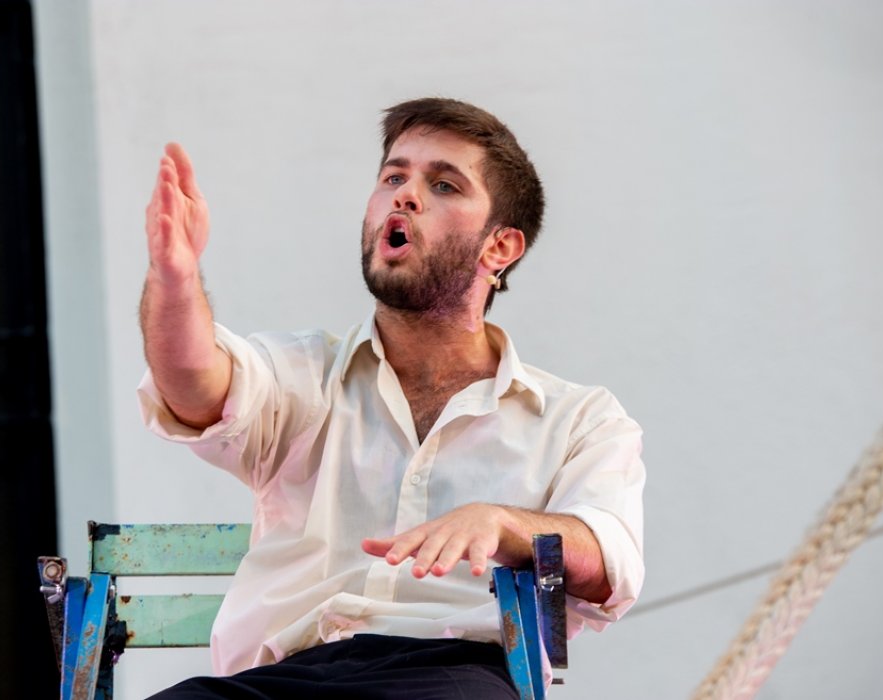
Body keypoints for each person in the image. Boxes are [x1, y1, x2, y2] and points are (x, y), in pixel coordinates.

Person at [138, 97, 645, 699]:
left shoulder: (578, 419)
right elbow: (194, 385)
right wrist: (174, 281)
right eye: (393, 177)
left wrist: (501, 523)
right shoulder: (303, 374)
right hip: (280, 679)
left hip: (449, 677)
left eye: (444, 184)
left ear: (500, 247)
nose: (405, 196)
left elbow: (608, 561)